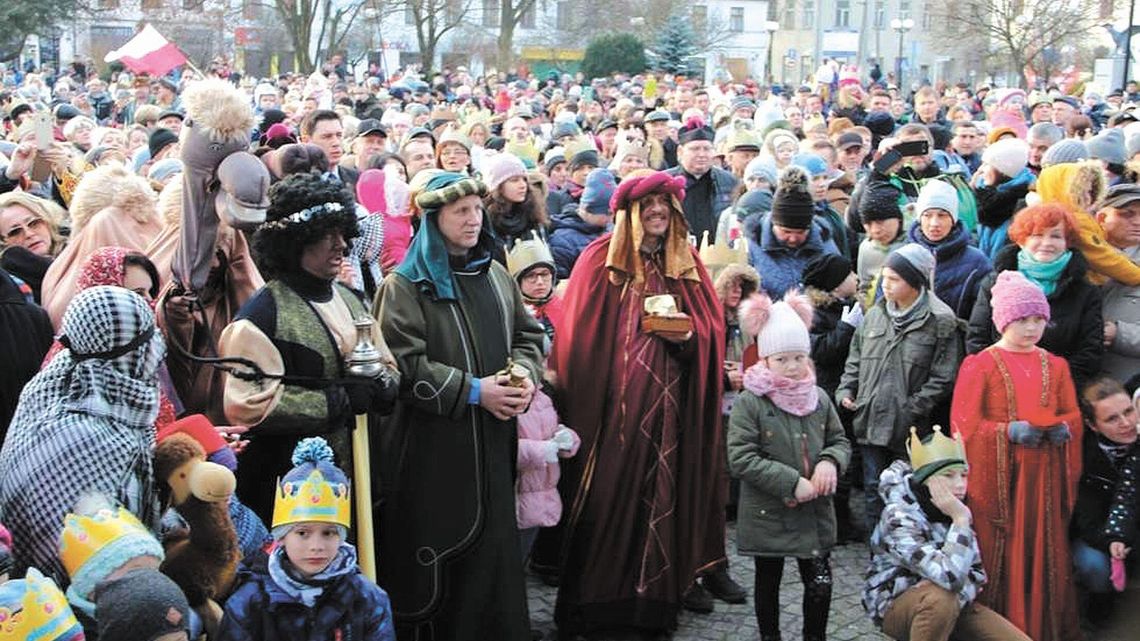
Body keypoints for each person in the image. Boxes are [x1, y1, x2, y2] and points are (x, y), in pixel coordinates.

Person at [551, 169, 728, 637]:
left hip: (672, 418)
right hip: (613, 420)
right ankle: (596, 606)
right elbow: (578, 345)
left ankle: (652, 607)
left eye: (664, 206)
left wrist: (690, 336)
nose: (656, 213)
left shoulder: (686, 261)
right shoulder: (598, 262)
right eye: (646, 206)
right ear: (627, 213)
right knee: (606, 501)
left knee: (661, 502)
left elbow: (711, 329)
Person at [374, 171, 545, 640]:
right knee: (440, 548)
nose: (473, 220)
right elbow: (401, 366)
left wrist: (524, 376)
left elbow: (528, 336)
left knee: (494, 548)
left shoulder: (493, 274)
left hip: (492, 440)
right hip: (432, 448)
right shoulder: (405, 286)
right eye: (460, 211)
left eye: (476, 209)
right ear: (434, 219)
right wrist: (474, 390)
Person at [219, 173, 400, 522]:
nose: (341, 246)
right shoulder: (260, 316)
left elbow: (388, 366)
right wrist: (341, 400)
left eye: (341, 233)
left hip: (359, 475)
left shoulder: (351, 300)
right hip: (293, 490)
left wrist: (381, 386)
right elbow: (249, 404)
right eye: (326, 235)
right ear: (294, 242)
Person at [0, 286, 166, 582]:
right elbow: (115, 555)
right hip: (73, 601)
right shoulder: (102, 437)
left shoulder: (55, 378)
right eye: (147, 338)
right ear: (136, 350)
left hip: (30, 578)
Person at [951, 269, 1082, 641]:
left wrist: (1065, 429)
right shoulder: (982, 365)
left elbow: (1071, 413)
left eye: (1039, 319)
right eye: (1023, 319)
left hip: (1042, 479)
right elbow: (965, 425)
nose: (1032, 327)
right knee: (1002, 553)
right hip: (1003, 480)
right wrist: (1007, 431)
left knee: (1042, 553)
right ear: (1004, 320)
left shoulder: (1054, 365)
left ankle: (1040, 626)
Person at [727, 290, 850, 641]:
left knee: (820, 583)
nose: (794, 367)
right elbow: (741, 457)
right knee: (769, 582)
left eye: (799, 357)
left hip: (815, 513)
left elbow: (839, 441)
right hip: (770, 512)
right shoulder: (751, 402)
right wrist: (790, 481)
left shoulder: (819, 397)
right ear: (765, 359)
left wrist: (830, 462)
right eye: (783, 359)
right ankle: (771, 636)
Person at [837, 244, 963, 533]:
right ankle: (876, 552)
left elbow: (944, 376)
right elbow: (855, 358)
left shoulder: (940, 320)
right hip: (869, 417)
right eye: (885, 277)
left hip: (910, 427)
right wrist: (846, 391)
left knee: (908, 490)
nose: (886, 284)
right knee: (872, 488)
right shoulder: (875, 314)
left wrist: (913, 406)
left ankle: (905, 551)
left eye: (894, 279)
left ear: (915, 281)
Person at [217, 437, 396, 641]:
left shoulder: (368, 598)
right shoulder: (250, 600)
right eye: (302, 533)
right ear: (281, 537)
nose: (316, 547)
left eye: (329, 533)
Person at [863, 427, 1031, 641]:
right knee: (939, 599)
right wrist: (960, 521)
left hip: (954, 602)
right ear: (927, 480)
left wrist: (950, 587)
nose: (960, 485)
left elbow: (977, 575)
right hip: (894, 603)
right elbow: (951, 577)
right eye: (948, 476)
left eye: (963, 475)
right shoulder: (898, 515)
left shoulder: (954, 507)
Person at [966, 204, 1104, 386]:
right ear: (1022, 240)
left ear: (1067, 242)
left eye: (1056, 236)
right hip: (1001, 387)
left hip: (1060, 390)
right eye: (1037, 235)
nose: (1046, 243)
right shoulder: (995, 283)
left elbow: (1090, 350)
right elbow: (978, 337)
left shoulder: (1085, 291)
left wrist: (1051, 384)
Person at [1071, 377, 1140, 626]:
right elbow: (1087, 524)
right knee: (1094, 565)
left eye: (1129, 411)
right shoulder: (1084, 458)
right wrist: (1118, 540)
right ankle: (1099, 607)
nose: (1126, 423)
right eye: (1112, 419)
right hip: (1101, 536)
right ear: (1093, 425)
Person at [748, 166, 841, 298]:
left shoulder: (825, 243)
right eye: (786, 231)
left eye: (801, 232)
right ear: (774, 224)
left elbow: (840, 287)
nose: (793, 238)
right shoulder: (751, 246)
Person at [907, 180, 992, 320]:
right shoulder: (903, 256)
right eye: (927, 215)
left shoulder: (977, 262)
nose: (934, 223)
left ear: (953, 219)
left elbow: (983, 317)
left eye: (942, 215)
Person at [667, 116, 739, 243]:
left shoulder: (730, 182)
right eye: (695, 149)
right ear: (680, 151)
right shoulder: (666, 182)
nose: (702, 154)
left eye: (707, 149)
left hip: (718, 253)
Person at [1096, 184, 1140, 381]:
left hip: (1128, 385)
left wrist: (1119, 334)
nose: (1138, 222)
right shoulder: (1079, 258)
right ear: (1102, 218)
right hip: (1079, 375)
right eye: (1127, 214)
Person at [482, 152, 549, 265]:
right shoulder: (484, 221)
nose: (523, 185)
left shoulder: (533, 216)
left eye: (524, 179)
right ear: (498, 186)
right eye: (514, 180)